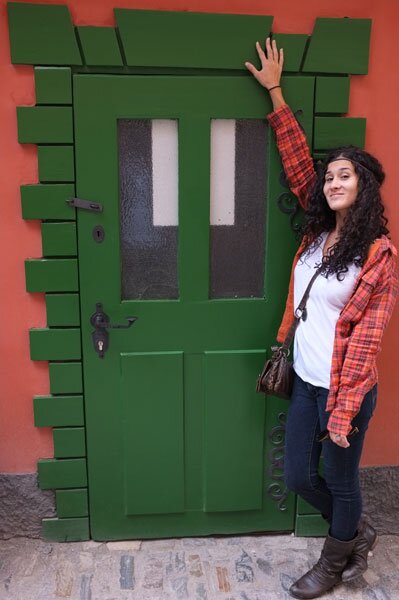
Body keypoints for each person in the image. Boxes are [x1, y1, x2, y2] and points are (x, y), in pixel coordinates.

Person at [245, 38, 399, 599]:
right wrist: (276, 93)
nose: (333, 183)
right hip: (307, 383)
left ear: (365, 188)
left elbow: (365, 342)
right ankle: (358, 535)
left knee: (337, 475)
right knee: (297, 476)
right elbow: (295, 163)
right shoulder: (317, 236)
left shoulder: (377, 256)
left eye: (345, 177)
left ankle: (333, 564)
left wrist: (344, 408)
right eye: (330, 176)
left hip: (345, 387)